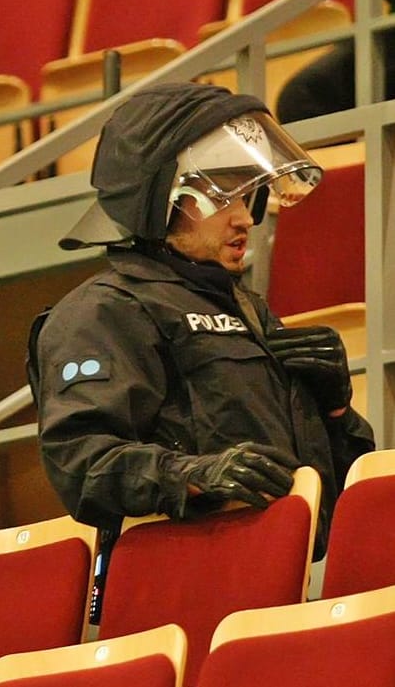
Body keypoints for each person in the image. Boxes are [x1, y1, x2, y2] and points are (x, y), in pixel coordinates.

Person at [30, 82, 375, 554]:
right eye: (224, 197)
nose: (245, 220)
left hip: (292, 567)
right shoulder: (102, 311)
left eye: (248, 198)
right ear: (162, 200)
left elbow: (338, 494)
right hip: (189, 577)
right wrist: (192, 476)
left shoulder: (248, 308)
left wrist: (336, 412)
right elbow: (82, 464)